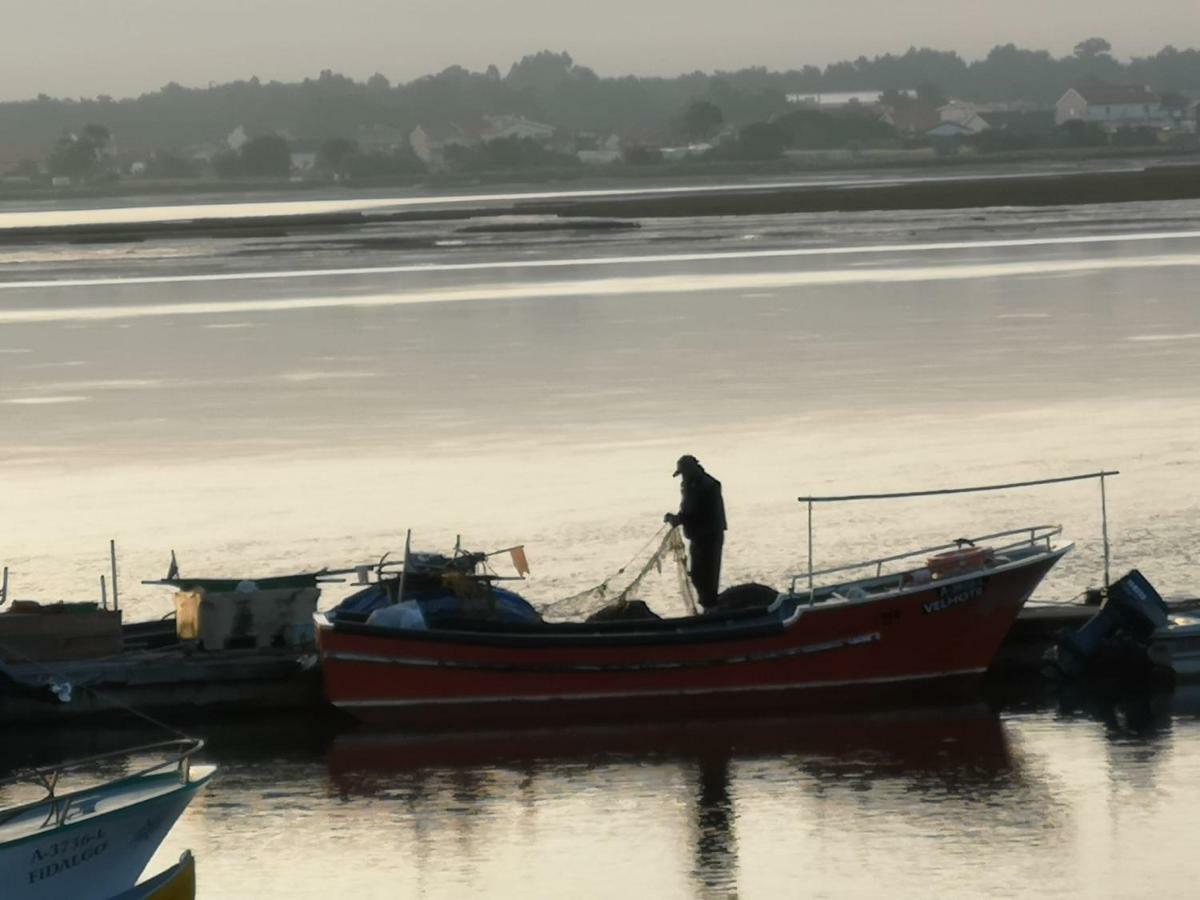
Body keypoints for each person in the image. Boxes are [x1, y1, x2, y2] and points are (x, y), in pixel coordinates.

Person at [664, 455, 727, 610]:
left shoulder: (705, 485)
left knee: (705, 575)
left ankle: (710, 607)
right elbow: (688, 510)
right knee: (699, 575)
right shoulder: (694, 483)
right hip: (700, 536)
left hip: (708, 536)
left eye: (684, 473)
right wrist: (678, 517)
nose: (682, 477)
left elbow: (694, 511)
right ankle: (708, 605)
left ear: (691, 470)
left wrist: (677, 519)